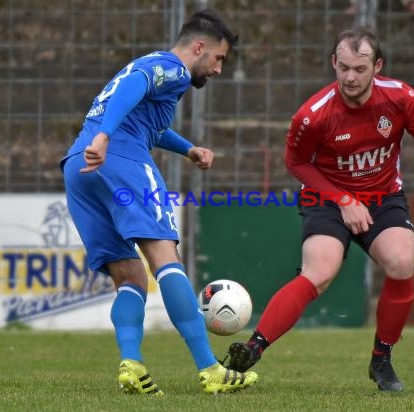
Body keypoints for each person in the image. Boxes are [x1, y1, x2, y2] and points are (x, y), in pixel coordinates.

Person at [222, 26, 414, 392]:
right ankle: (253, 348)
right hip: (327, 198)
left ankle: (381, 360)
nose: (350, 77)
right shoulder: (312, 115)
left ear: (377, 66)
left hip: (382, 197)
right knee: (320, 270)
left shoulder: (401, 99)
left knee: (400, 261)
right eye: (344, 67)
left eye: (360, 69)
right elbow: (297, 164)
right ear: (334, 62)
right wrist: (344, 200)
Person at [60, 9, 257, 396]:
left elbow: (148, 122)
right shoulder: (173, 69)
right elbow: (136, 85)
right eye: (219, 58)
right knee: (166, 260)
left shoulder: (153, 64)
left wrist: (188, 149)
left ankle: (131, 364)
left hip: (78, 168)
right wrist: (105, 137)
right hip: (120, 161)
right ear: (198, 48)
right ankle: (209, 369)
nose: (218, 69)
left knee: (130, 275)